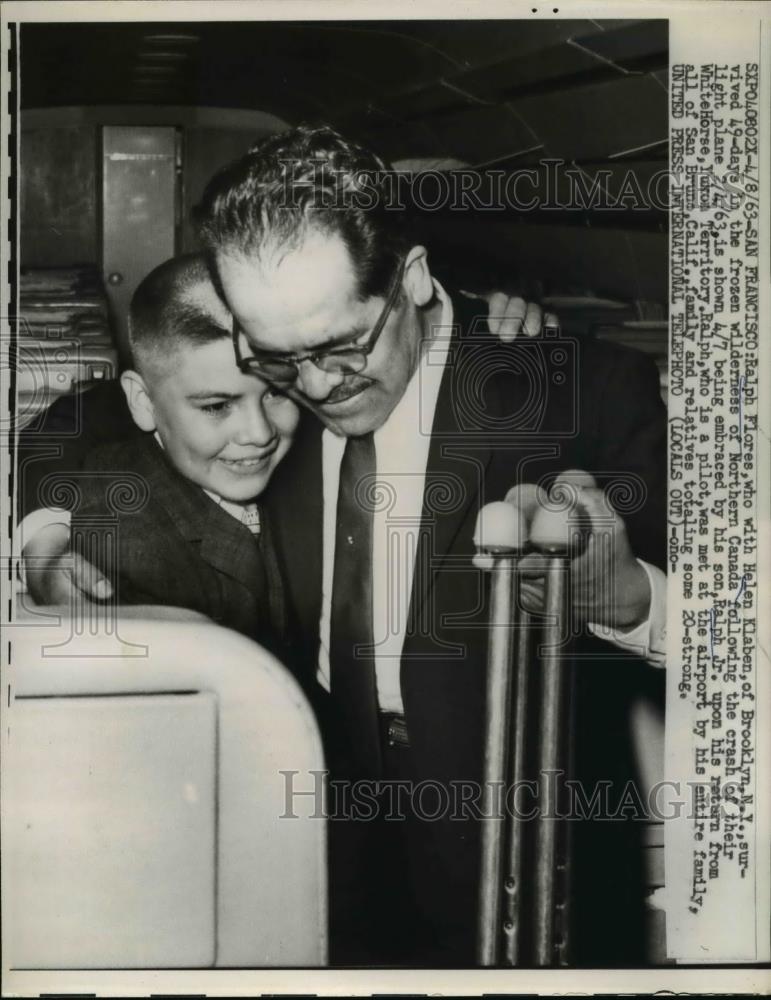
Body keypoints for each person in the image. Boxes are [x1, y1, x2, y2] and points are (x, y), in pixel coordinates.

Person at [192, 124, 668, 966]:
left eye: (340, 347)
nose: (313, 387)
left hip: (517, 853)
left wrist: (625, 598)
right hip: (327, 830)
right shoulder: (264, 407)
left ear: (411, 278)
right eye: (277, 357)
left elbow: (718, 629)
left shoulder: (586, 391)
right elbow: (112, 426)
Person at [21, 254, 299, 659]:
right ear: (141, 401)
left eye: (277, 392)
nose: (259, 433)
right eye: (217, 405)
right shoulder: (116, 546)